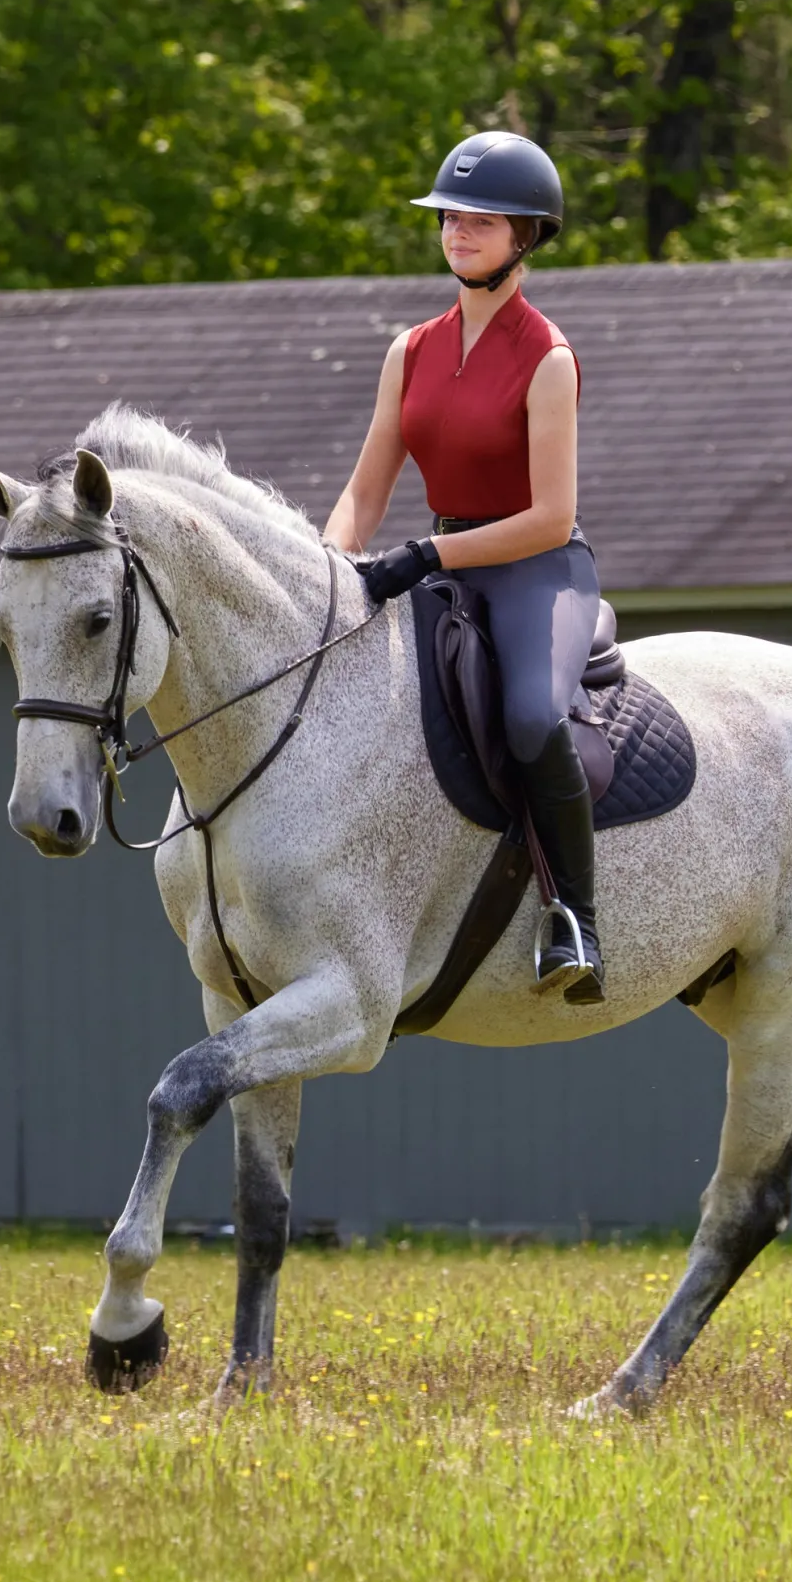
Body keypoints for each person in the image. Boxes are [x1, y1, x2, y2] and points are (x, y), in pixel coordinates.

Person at [323, 130, 605, 1004]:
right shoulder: (409, 350)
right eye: (451, 215)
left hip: (535, 568)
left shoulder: (548, 358)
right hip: (438, 561)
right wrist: (327, 570)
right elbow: (367, 490)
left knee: (529, 718)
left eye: (483, 220)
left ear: (527, 237)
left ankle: (577, 921)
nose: (458, 231)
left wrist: (427, 552)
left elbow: (549, 515)